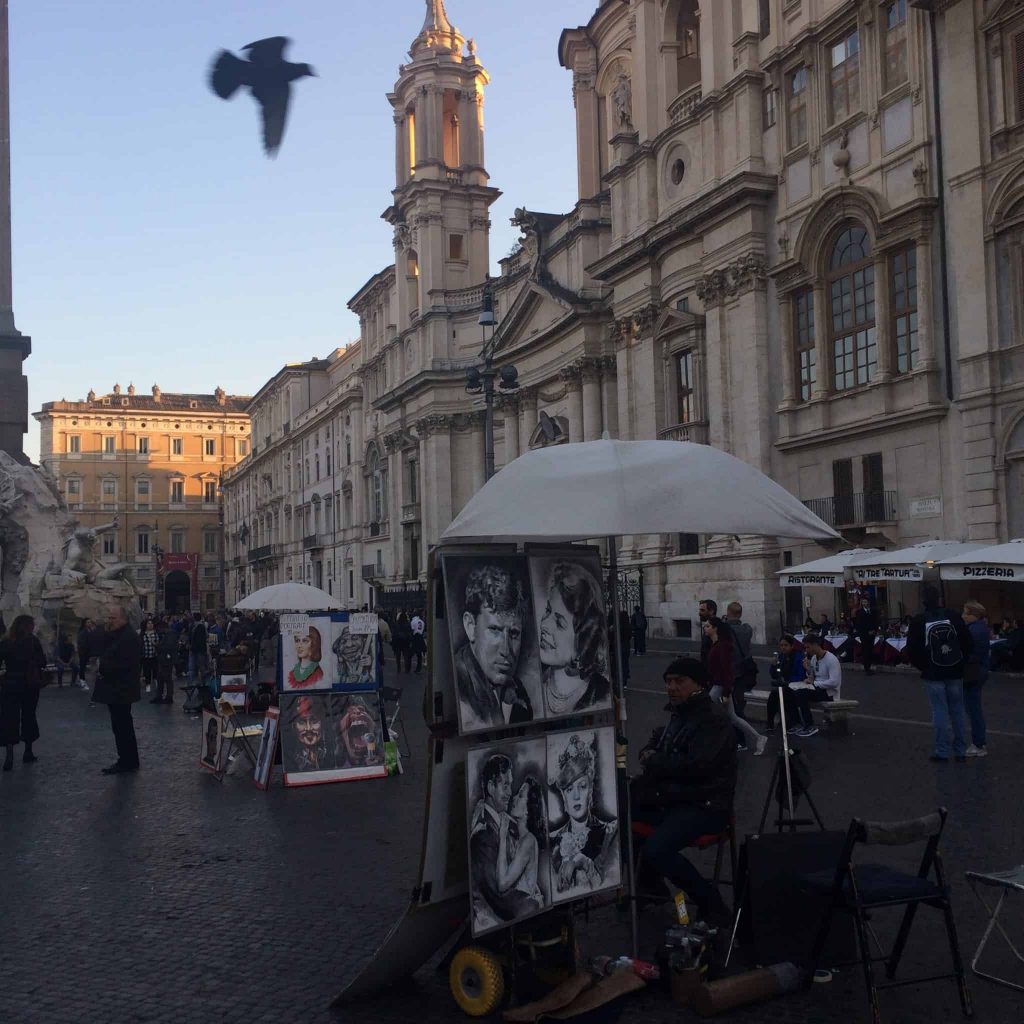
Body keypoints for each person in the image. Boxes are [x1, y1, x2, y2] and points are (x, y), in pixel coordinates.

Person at [631, 658, 737, 923]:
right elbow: (659, 739)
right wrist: (650, 752)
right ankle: (650, 885)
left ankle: (710, 902)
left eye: (680, 681)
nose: (672, 687)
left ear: (698, 685)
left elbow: (696, 767)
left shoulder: (713, 721)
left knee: (657, 849)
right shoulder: (680, 713)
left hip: (706, 804)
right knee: (622, 820)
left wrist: (653, 759)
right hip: (675, 798)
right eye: (668, 681)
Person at [455, 565, 534, 729]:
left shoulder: (518, 692)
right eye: (495, 630)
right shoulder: (456, 688)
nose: (506, 650)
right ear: (470, 626)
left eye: (513, 633)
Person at [470, 754, 540, 926]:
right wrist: (534, 905)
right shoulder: (483, 835)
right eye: (505, 785)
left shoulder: (507, 823)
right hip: (494, 922)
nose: (511, 792)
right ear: (491, 787)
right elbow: (498, 896)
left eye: (511, 785)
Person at [907, 585, 973, 763]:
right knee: (958, 711)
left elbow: (912, 650)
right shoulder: (953, 616)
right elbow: (967, 641)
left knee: (939, 712)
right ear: (940, 599)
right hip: (954, 670)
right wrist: (961, 662)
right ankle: (961, 750)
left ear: (923, 601)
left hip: (933, 672)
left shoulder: (919, 621)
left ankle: (942, 751)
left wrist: (924, 667)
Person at [536, 562, 611, 716]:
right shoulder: (532, 684)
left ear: (583, 640)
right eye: (547, 611)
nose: (544, 625)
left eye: (559, 622)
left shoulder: (601, 696)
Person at [548, 734, 618, 894]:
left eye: (583, 786)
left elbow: (606, 884)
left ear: (591, 790)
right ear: (563, 796)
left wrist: (585, 863)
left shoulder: (610, 832)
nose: (576, 796)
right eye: (569, 789)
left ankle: (682, 913)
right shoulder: (552, 840)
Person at [704, 617, 767, 754]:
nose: (705, 628)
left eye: (708, 626)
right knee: (732, 718)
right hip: (718, 686)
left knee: (707, 714)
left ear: (715, 628)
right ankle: (759, 738)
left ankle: (713, 745)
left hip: (720, 688)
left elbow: (727, 671)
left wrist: (726, 692)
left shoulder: (722, 646)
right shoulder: (716, 645)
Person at [93, 605, 143, 775]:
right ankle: (128, 759)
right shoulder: (120, 635)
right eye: (109, 618)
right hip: (118, 689)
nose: (109, 621)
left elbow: (121, 664)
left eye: (113, 618)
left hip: (121, 689)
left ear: (123, 619)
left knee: (123, 727)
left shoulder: (128, 638)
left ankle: (127, 761)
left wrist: (102, 666)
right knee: (121, 726)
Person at [0, 615, 47, 771]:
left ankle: (9, 753)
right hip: (29, 685)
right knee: (28, 716)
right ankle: (28, 750)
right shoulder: (33, 642)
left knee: (9, 718)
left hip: (10, 683)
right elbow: (42, 662)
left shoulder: (6, 642)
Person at [496, 777, 546, 910]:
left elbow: (502, 884)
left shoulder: (528, 841)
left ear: (528, 810)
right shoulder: (520, 837)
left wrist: (502, 837)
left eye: (521, 795)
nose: (514, 797)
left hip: (527, 913)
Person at [793, 634, 842, 737]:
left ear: (815, 645)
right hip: (817, 688)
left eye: (808, 647)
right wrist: (807, 669)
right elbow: (813, 676)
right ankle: (796, 722)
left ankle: (810, 725)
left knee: (802, 694)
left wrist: (815, 683)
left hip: (829, 692)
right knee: (794, 691)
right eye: (805, 647)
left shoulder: (831, 659)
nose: (806, 650)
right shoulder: (814, 658)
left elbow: (834, 682)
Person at [962, 600, 990, 758]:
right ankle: (979, 742)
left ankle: (979, 744)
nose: (963, 615)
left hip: (974, 672)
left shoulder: (974, 630)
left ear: (973, 615)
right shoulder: (980, 627)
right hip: (979, 671)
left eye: (966, 612)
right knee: (973, 708)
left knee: (973, 709)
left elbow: (972, 654)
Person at [766, 634, 807, 731]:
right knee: (773, 696)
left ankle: (791, 722)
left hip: (795, 685)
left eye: (786, 645)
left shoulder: (798, 657)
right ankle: (770, 723)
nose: (783, 648)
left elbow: (800, 675)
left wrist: (788, 680)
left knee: (786, 696)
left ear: (792, 646)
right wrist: (773, 666)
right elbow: (774, 675)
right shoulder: (781, 657)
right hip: (784, 685)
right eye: (781, 645)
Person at [335, 695, 381, 768]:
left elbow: (393, 767)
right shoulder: (334, 770)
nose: (357, 712)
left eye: (361, 709)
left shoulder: (384, 759)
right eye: (350, 710)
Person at [853, 596, 880, 676]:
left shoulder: (873, 611)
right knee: (866, 650)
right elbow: (859, 624)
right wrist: (867, 632)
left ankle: (869, 666)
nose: (864, 603)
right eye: (863, 602)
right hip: (864, 634)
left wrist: (874, 630)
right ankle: (867, 668)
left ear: (868, 602)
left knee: (870, 649)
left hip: (872, 633)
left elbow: (876, 621)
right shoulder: (859, 612)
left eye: (865, 601)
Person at [154, 623, 177, 704]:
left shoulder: (170, 635)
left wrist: (158, 646)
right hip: (163, 659)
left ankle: (168, 697)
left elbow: (168, 647)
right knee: (160, 678)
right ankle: (159, 696)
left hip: (167, 660)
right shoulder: (168, 635)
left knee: (167, 678)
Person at [188, 613, 209, 684]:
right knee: (200, 667)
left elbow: (197, 640)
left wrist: (192, 647)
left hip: (197, 650)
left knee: (196, 667)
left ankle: (194, 683)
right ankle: (202, 682)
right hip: (199, 650)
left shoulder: (197, 626)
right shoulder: (200, 626)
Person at [76, 617, 96, 690]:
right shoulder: (83, 632)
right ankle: (82, 681)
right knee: (82, 667)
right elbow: (82, 644)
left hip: (89, 653)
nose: (89, 623)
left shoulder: (90, 631)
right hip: (84, 653)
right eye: (88, 622)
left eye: (90, 622)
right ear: (84, 624)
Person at [141, 619, 159, 696]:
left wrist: (155, 644)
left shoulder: (155, 633)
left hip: (154, 655)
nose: (150, 625)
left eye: (151, 623)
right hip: (146, 656)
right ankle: (148, 684)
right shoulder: (143, 634)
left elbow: (158, 644)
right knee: (147, 671)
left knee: (155, 669)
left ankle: (156, 682)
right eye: (149, 623)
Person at [698, 598, 717, 665]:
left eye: (702, 610)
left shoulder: (714, 628)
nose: (699, 613)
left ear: (711, 611)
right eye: (700, 610)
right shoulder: (708, 626)